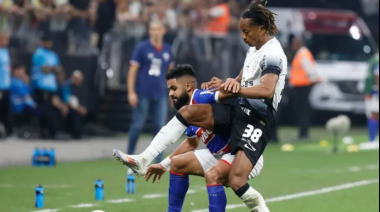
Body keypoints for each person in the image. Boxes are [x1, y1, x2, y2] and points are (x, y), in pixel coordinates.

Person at [113, 1, 287, 211]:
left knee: (236, 181)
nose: (243, 36)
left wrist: (234, 90)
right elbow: (241, 80)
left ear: (261, 28)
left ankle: (259, 205)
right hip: (239, 113)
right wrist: (226, 84)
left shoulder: (273, 52)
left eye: (246, 31)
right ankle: (144, 158)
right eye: (241, 31)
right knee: (187, 113)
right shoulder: (253, 50)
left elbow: (267, 90)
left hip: (257, 121)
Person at [117, 64, 265, 212]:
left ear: (188, 86)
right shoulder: (188, 115)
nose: (170, 94)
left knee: (213, 175)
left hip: (243, 154)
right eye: (169, 89)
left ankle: (144, 158)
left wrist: (228, 84)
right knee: (177, 163)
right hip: (221, 155)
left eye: (174, 88)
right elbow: (191, 143)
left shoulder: (201, 96)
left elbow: (228, 94)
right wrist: (163, 165)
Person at [126, 20, 175, 163]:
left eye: (158, 29)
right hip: (143, 93)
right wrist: (131, 92)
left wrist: (173, 93)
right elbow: (132, 71)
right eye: (152, 29)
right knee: (137, 124)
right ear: (149, 32)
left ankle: (157, 159)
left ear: (163, 31)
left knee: (160, 127)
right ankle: (129, 155)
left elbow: (171, 74)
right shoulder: (142, 48)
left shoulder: (167, 49)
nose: (155, 32)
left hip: (160, 94)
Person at [289, 36, 321, 140]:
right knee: (302, 110)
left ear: (299, 43)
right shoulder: (301, 53)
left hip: (302, 86)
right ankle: (302, 132)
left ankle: (303, 133)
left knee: (302, 110)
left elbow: (309, 69)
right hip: (300, 85)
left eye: (294, 43)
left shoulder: (303, 54)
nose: (292, 45)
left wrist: (314, 79)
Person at [32, 34, 63, 139]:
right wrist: (54, 69)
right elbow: (44, 69)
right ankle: (43, 131)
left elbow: (59, 69)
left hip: (52, 86)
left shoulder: (53, 55)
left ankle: (53, 132)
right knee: (44, 110)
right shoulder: (38, 54)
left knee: (53, 109)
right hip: (42, 86)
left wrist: (54, 70)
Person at [56, 69, 87, 139]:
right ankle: (75, 134)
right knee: (75, 113)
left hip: (70, 106)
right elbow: (67, 100)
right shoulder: (66, 86)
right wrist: (79, 108)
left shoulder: (75, 88)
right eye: (79, 80)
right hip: (62, 106)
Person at [10, 63, 37, 137]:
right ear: (15, 71)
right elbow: (24, 94)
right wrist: (26, 84)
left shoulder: (22, 82)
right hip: (16, 106)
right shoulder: (12, 82)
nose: (23, 73)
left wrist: (28, 83)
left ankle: (31, 131)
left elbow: (30, 93)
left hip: (24, 105)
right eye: (21, 70)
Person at [364, 51, 379, 143]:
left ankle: (372, 139)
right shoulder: (376, 60)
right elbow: (377, 75)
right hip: (375, 92)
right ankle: (372, 139)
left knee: (374, 114)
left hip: (372, 91)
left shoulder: (373, 59)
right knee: (374, 114)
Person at [0, 33, 12, 138]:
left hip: (6, 86)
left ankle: (6, 131)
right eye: (3, 39)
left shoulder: (6, 52)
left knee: (5, 109)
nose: (5, 41)